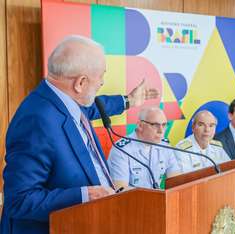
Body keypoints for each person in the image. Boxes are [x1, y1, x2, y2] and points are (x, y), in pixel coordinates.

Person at [0, 35, 159, 234]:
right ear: (81, 83)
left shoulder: (65, 99)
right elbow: (19, 200)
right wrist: (85, 196)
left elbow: (95, 107)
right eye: (101, 75)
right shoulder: (36, 120)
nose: (102, 82)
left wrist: (129, 100)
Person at [108, 107, 181, 189]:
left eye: (164, 125)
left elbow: (176, 181)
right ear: (140, 125)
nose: (161, 131)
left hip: (158, 198)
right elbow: (120, 189)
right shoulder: (122, 150)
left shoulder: (165, 145)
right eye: (155, 125)